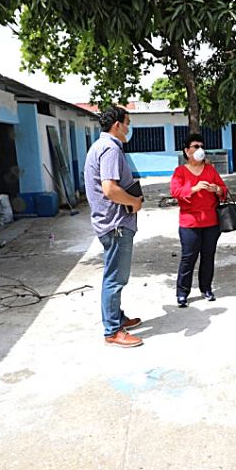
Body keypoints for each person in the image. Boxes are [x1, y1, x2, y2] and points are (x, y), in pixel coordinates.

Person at [83, 105, 145, 347]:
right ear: (117, 125)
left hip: (110, 222)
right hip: (116, 223)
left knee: (115, 275)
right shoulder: (110, 148)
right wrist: (134, 203)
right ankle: (112, 330)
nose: (129, 128)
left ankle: (117, 317)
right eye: (127, 122)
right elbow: (109, 189)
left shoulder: (99, 146)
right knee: (115, 278)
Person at [170, 133, 229, 307]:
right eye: (196, 146)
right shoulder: (180, 172)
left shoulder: (210, 170)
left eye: (202, 146)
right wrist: (194, 189)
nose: (200, 150)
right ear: (187, 151)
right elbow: (175, 191)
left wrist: (216, 188)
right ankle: (182, 293)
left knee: (208, 256)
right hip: (190, 223)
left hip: (211, 222)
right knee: (188, 258)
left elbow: (224, 189)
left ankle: (206, 288)